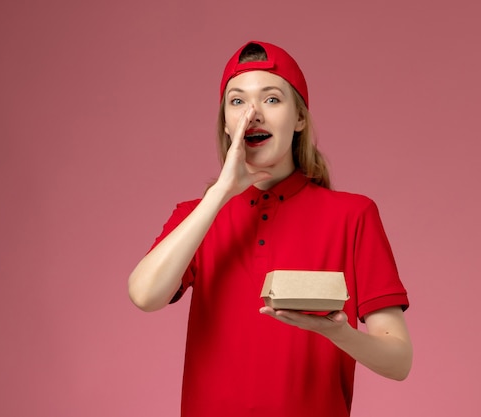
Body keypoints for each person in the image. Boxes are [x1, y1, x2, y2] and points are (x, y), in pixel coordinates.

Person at [128, 40, 412, 417]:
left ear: (300, 119)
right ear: (227, 125)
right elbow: (145, 295)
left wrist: (336, 332)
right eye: (237, 101)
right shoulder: (196, 217)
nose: (252, 115)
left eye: (272, 99)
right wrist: (220, 194)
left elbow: (398, 362)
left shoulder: (354, 215)